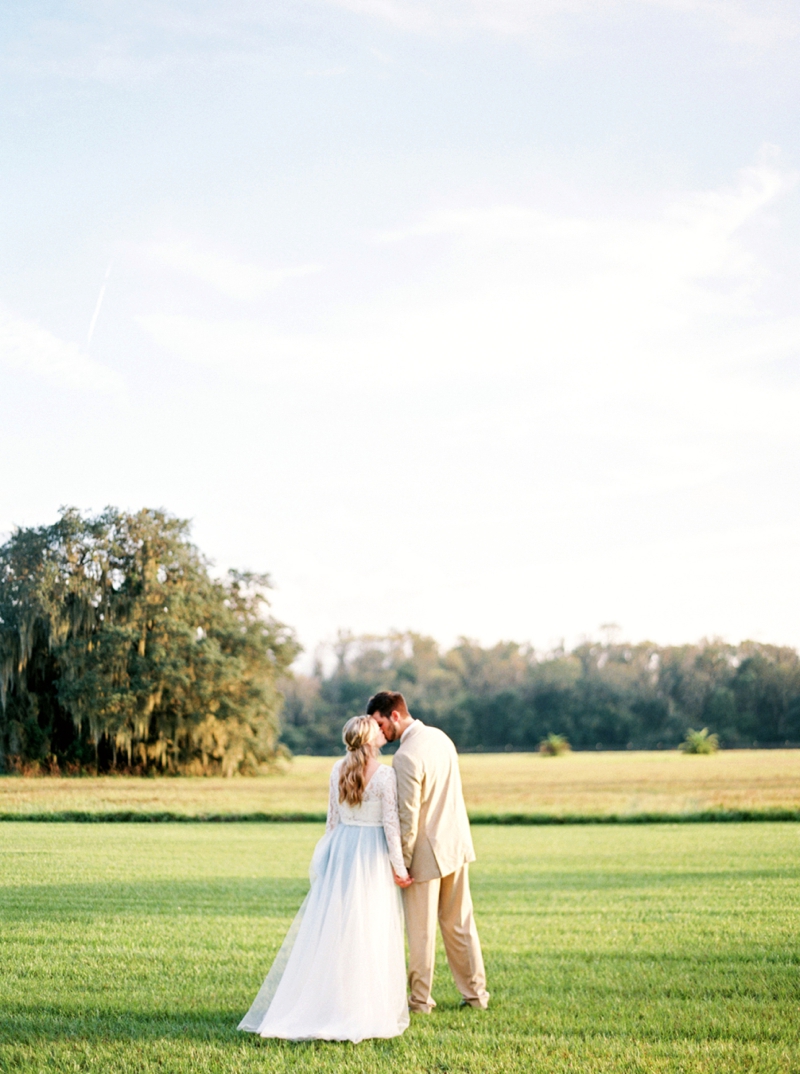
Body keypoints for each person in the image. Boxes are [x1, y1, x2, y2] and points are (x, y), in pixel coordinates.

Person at [238, 715, 412, 1042]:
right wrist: (400, 870)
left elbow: (332, 823)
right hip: (370, 856)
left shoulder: (337, 770)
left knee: (338, 929)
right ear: (370, 739)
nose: (381, 731)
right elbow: (391, 826)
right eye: (376, 729)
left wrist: (326, 858)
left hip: (343, 851)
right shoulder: (386, 775)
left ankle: (334, 1002)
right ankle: (360, 1008)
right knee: (367, 929)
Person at [367, 691, 490, 1013]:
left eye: (380, 724)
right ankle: (477, 996)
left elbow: (407, 817)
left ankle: (420, 1001)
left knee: (421, 932)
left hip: (426, 852)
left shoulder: (405, 756)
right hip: (456, 843)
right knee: (460, 924)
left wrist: (402, 864)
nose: (379, 733)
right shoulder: (440, 737)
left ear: (394, 715)